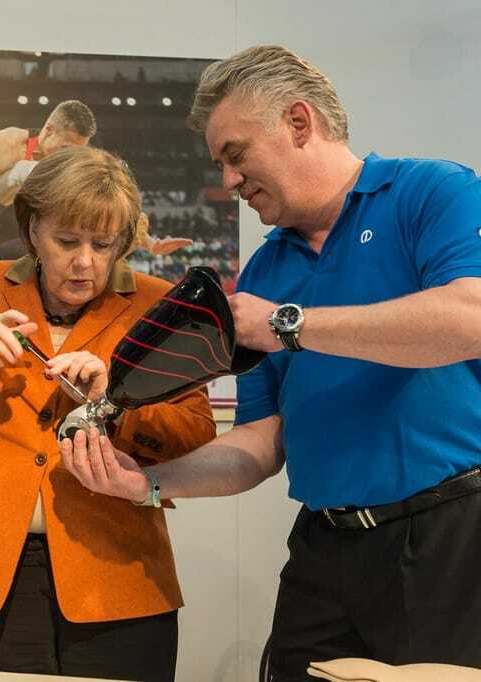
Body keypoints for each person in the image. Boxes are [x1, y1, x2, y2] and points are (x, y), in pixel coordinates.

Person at [60, 45, 481, 680]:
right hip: (324, 545)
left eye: (236, 154)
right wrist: (148, 483)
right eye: (220, 163)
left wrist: (290, 325)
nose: (229, 180)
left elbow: (469, 320)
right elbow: (261, 440)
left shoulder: (433, 192)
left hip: (450, 538)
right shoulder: (266, 268)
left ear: (299, 122)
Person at [0, 145, 215, 682]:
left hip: (116, 566)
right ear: (33, 230)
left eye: (103, 245)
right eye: (67, 241)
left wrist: (114, 404)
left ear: (123, 241)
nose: (85, 262)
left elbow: (195, 432)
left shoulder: (156, 303)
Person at [0, 99, 192, 260]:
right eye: (66, 148)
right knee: (28, 171)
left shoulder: (64, 161)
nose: (69, 156)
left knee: (82, 185)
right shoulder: (8, 143)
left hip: (0, 221)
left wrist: (150, 243)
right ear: (48, 130)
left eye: (76, 150)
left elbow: (111, 196)